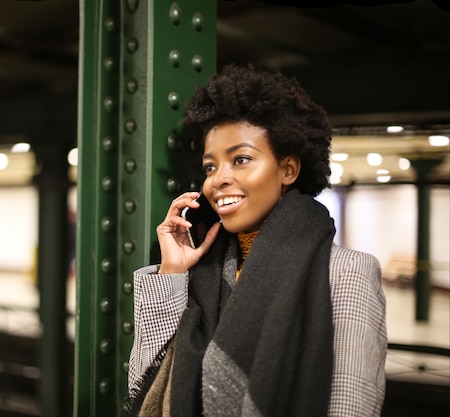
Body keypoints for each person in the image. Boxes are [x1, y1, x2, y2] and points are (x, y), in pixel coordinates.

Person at [127, 64, 387, 417]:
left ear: (288, 170)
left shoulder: (346, 271)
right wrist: (172, 270)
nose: (218, 179)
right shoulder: (201, 272)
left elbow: (350, 407)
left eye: (241, 159)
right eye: (210, 166)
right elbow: (146, 383)